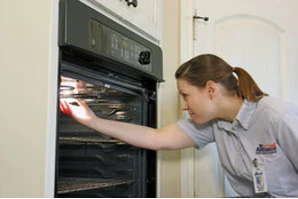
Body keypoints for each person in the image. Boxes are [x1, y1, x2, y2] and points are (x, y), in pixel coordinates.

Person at [60, 54, 298, 198]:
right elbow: (157, 138)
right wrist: (93, 121)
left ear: (211, 89)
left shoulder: (277, 116)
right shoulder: (215, 123)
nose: (184, 106)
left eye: (186, 95)